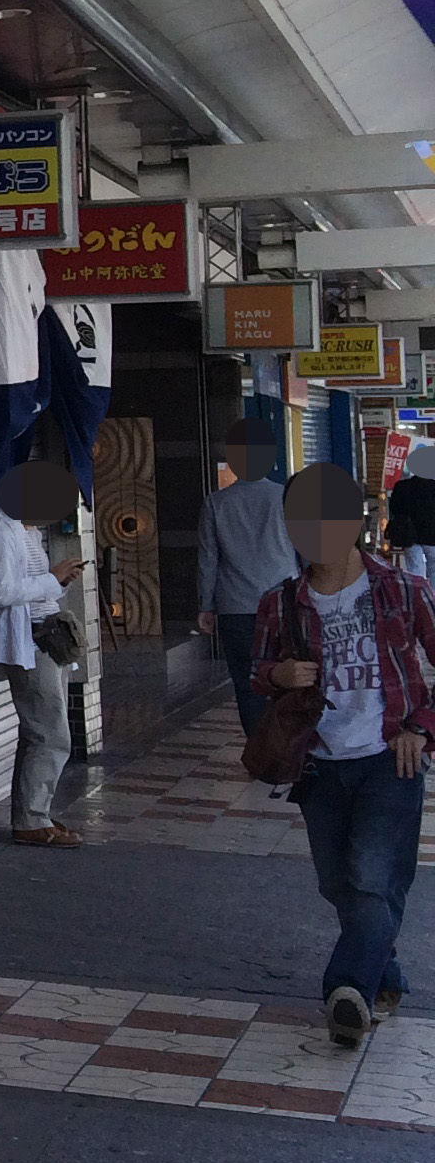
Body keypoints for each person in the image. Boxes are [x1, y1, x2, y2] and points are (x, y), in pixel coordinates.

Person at [251, 461, 435, 1046]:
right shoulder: (280, 602)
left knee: (370, 876)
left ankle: (346, 989)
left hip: (390, 758)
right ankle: (385, 978)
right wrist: (278, 672)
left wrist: (422, 730)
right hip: (319, 764)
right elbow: (259, 673)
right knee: (340, 885)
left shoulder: (404, 590)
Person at [0, 459, 87, 847]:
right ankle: (30, 819)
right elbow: (3, 591)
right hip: (30, 643)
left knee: (39, 732)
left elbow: (33, 589)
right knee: (52, 734)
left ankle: (33, 813)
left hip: (46, 639)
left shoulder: (28, 533)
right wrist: (52, 579)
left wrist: (58, 582)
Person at [197, 417, 299, 735]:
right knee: (289, 673)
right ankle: (289, 742)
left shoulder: (216, 504)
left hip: (236, 607)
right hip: (285, 602)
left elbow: (208, 559)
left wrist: (205, 605)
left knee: (246, 678)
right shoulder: (286, 498)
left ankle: (260, 746)